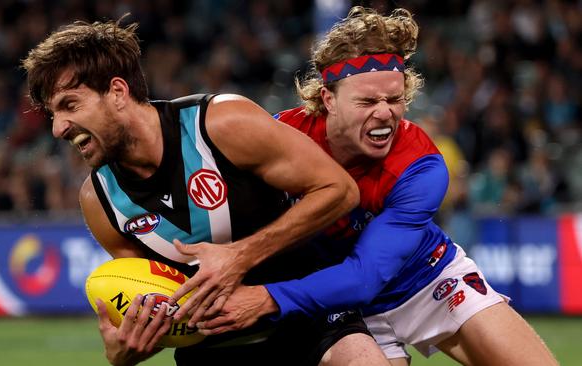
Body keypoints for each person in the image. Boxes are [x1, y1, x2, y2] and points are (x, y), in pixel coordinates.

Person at [193, 7, 559, 366]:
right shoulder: (280, 137)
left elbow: (366, 276)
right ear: (328, 99)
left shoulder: (421, 166)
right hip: (333, 301)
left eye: (395, 99)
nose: (385, 113)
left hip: (426, 280)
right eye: (368, 101)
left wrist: (265, 297)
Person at [21, 17, 390, 366]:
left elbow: (339, 190)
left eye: (70, 105)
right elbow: (157, 301)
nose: (58, 128)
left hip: (308, 315)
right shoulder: (99, 202)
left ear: (117, 91)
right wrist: (128, 351)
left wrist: (239, 256)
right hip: (214, 349)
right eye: (52, 113)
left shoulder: (220, 125)